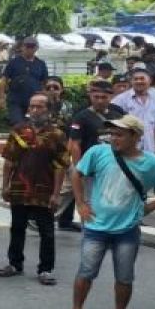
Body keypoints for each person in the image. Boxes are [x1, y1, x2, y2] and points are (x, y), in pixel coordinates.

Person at [66, 114, 155, 309]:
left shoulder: (152, 163)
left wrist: (149, 207)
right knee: (86, 271)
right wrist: (81, 204)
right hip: (95, 226)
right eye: (112, 134)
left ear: (135, 136)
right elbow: (77, 173)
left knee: (125, 276)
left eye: (119, 134)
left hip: (127, 229)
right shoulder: (98, 152)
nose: (113, 138)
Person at [0, 93, 70, 285]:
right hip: (19, 189)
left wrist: (56, 193)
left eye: (40, 107)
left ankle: (45, 269)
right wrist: (5, 186)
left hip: (44, 191)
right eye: (32, 106)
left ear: (48, 109)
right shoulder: (18, 130)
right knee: (17, 228)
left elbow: (61, 165)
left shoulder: (57, 134)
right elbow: (9, 161)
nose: (35, 110)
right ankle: (15, 264)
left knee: (46, 231)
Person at [61, 81, 122, 232]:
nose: (100, 100)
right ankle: (89, 230)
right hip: (90, 167)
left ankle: (109, 228)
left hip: (113, 166)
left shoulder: (118, 115)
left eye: (104, 97)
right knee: (88, 201)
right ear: (90, 96)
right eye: (96, 97)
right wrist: (79, 167)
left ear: (110, 97)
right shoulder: (81, 117)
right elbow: (74, 144)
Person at [112, 67, 155, 157]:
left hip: (151, 149)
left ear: (149, 81)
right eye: (135, 79)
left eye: (142, 78)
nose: (139, 81)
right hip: (128, 151)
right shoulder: (120, 100)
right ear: (131, 82)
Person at [0, 36, 48, 125]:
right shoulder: (14, 62)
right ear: (22, 47)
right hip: (15, 100)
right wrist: (2, 98)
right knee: (18, 124)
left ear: (36, 48)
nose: (29, 49)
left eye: (32, 46)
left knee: (34, 125)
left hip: (34, 102)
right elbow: (4, 80)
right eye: (27, 46)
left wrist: (45, 99)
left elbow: (44, 83)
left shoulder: (41, 64)